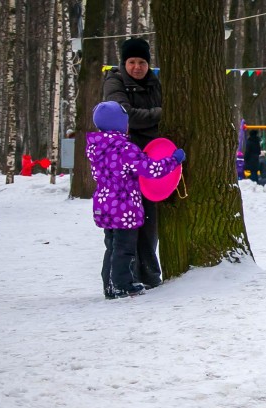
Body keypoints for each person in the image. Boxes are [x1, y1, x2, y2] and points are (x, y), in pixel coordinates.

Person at [86, 101, 184, 299]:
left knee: (111, 246)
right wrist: (174, 160)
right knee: (125, 248)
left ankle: (110, 285)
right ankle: (123, 284)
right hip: (124, 206)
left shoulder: (95, 148)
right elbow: (150, 170)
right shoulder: (124, 149)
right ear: (120, 125)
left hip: (104, 204)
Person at [103, 37, 165, 288]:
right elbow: (125, 116)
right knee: (122, 230)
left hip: (151, 159)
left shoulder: (155, 83)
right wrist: (161, 114)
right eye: (132, 62)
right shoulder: (114, 81)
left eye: (142, 62)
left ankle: (148, 275)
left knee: (149, 222)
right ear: (123, 62)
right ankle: (119, 279)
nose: (137, 67)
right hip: (124, 163)